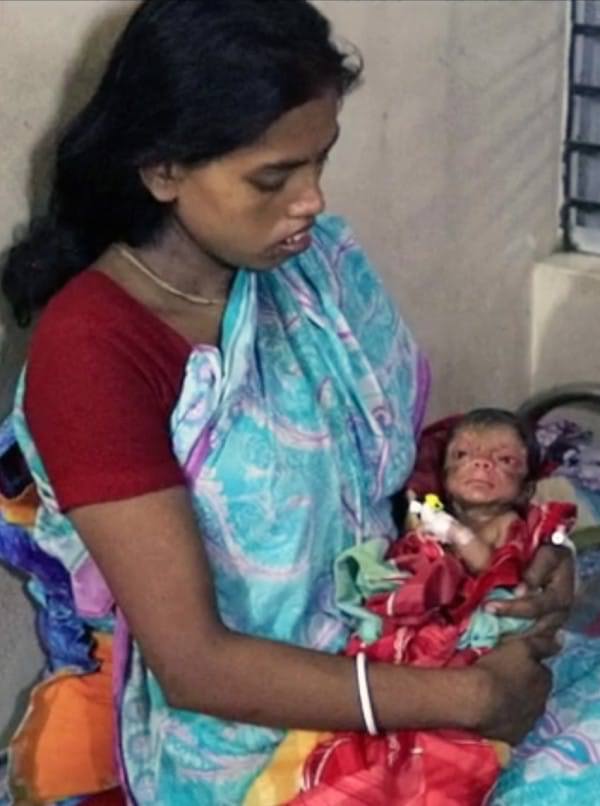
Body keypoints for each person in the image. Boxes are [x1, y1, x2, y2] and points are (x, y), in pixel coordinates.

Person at [0, 2, 574, 804]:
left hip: (405, 641)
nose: (311, 199)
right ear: (162, 169)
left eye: (319, 161)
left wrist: (511, 550)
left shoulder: (311, 275)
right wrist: (475, 698)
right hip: (252, 744)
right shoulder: (95, 350)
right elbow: (196, 663)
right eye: (273, 178)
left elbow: (390, 489)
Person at [243, 409, 576, 805]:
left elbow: (488, 563)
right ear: (444, 475)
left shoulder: (504, 524)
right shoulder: (432, 510)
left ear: (524, 490)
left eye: (505, 461)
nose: (481, 463)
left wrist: (450, 531)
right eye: (463, 455)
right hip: (396, 644)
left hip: (468, 637)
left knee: (433, 758)